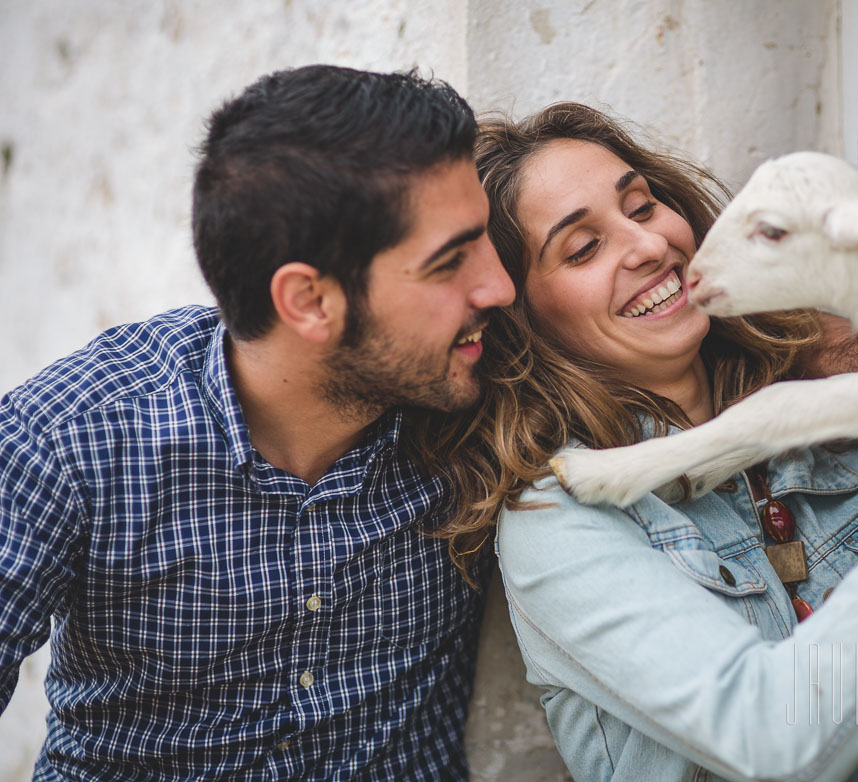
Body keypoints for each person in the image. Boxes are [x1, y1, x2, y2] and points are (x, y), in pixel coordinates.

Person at [406, 103, 858, 781]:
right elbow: (768, 740)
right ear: (526, 318)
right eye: (583, 247)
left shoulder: (830, 425)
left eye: (641, 205)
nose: (647, 244)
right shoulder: (559, 516)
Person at [0, 65, 514, 780]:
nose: (498, 285)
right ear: (308, 301)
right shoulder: (72, 438)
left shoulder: (477, 396)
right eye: (449, 262)